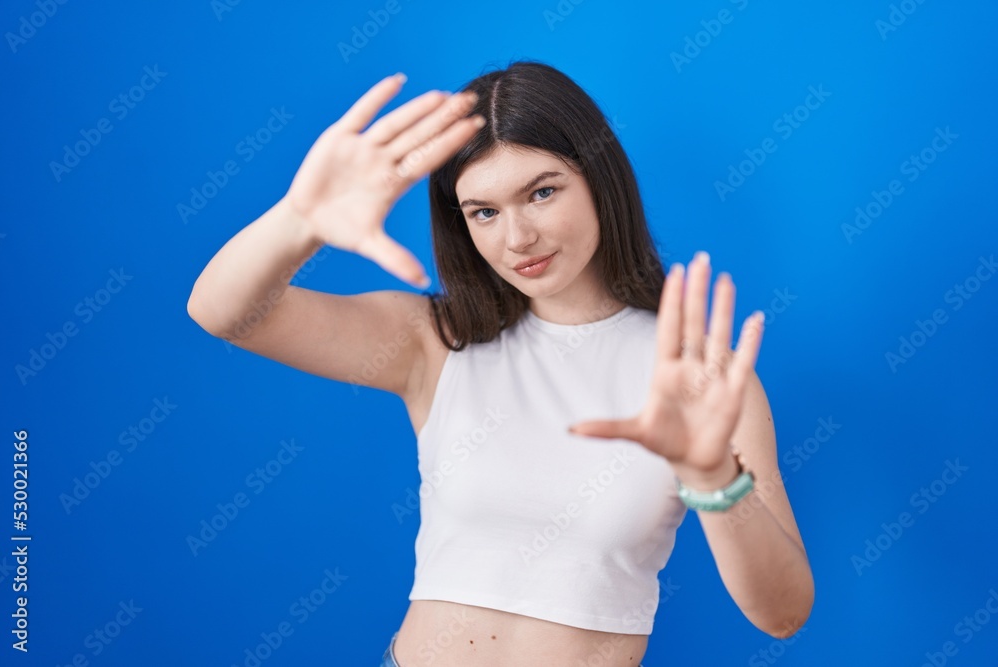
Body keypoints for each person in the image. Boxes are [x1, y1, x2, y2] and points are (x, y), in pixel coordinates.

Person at [187, 60, 814, 667]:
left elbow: (782, 615)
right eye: (484, 212)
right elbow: (223, 312)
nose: (516, 239)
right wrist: (300, 221)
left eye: (541, 192)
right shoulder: (435, 342)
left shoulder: (699, 380)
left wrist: (711, 478)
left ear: (600, 180)